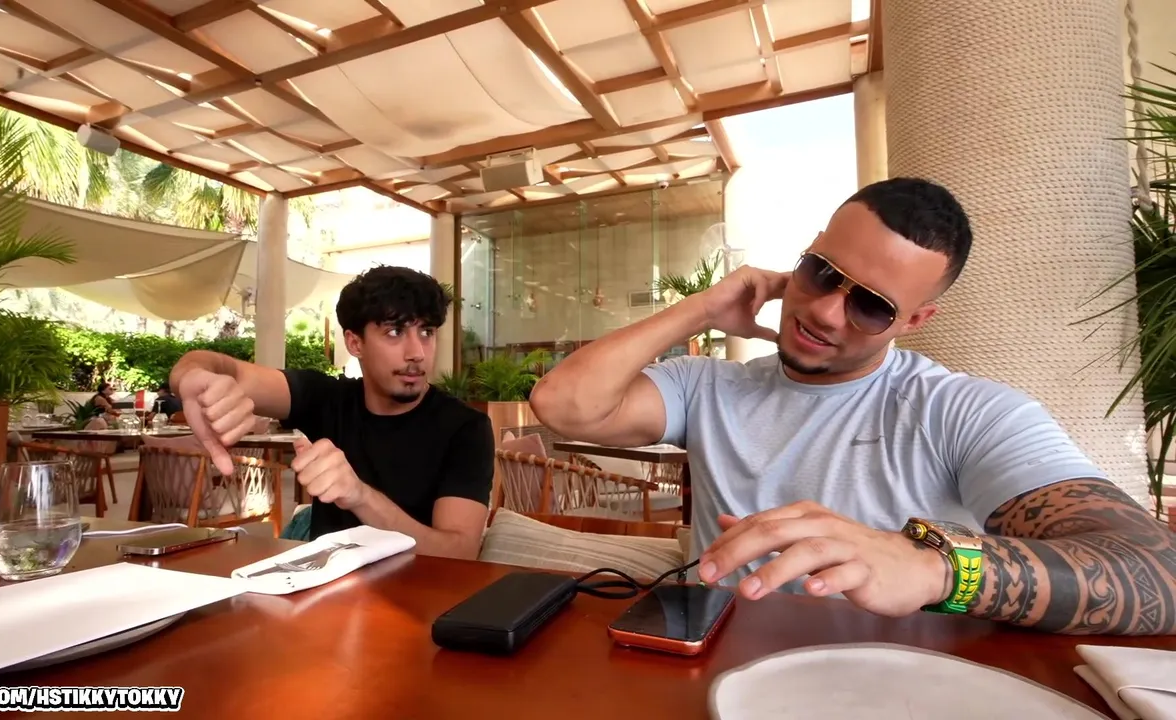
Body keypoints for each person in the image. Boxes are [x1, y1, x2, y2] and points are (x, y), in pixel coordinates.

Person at [530, 177, 1176, 636]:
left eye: (871, 305)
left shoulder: (960, 412)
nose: (825, 312)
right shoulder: (709, 388)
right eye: (820, 272)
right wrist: (703, 308)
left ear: (914, 321)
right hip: (710, 665)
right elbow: (562, 404)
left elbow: (1158, 570)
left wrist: (938, 570)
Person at [168, 266, 495, 560]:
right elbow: (218, 366)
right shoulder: (328, 398)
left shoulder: (465, 427)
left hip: (420, 597)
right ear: (355, 343)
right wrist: (191, 378)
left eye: (427, 332)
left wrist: (360, 496)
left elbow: (459, 552)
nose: (417, 353)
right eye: (395, 332)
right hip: (323, 594)